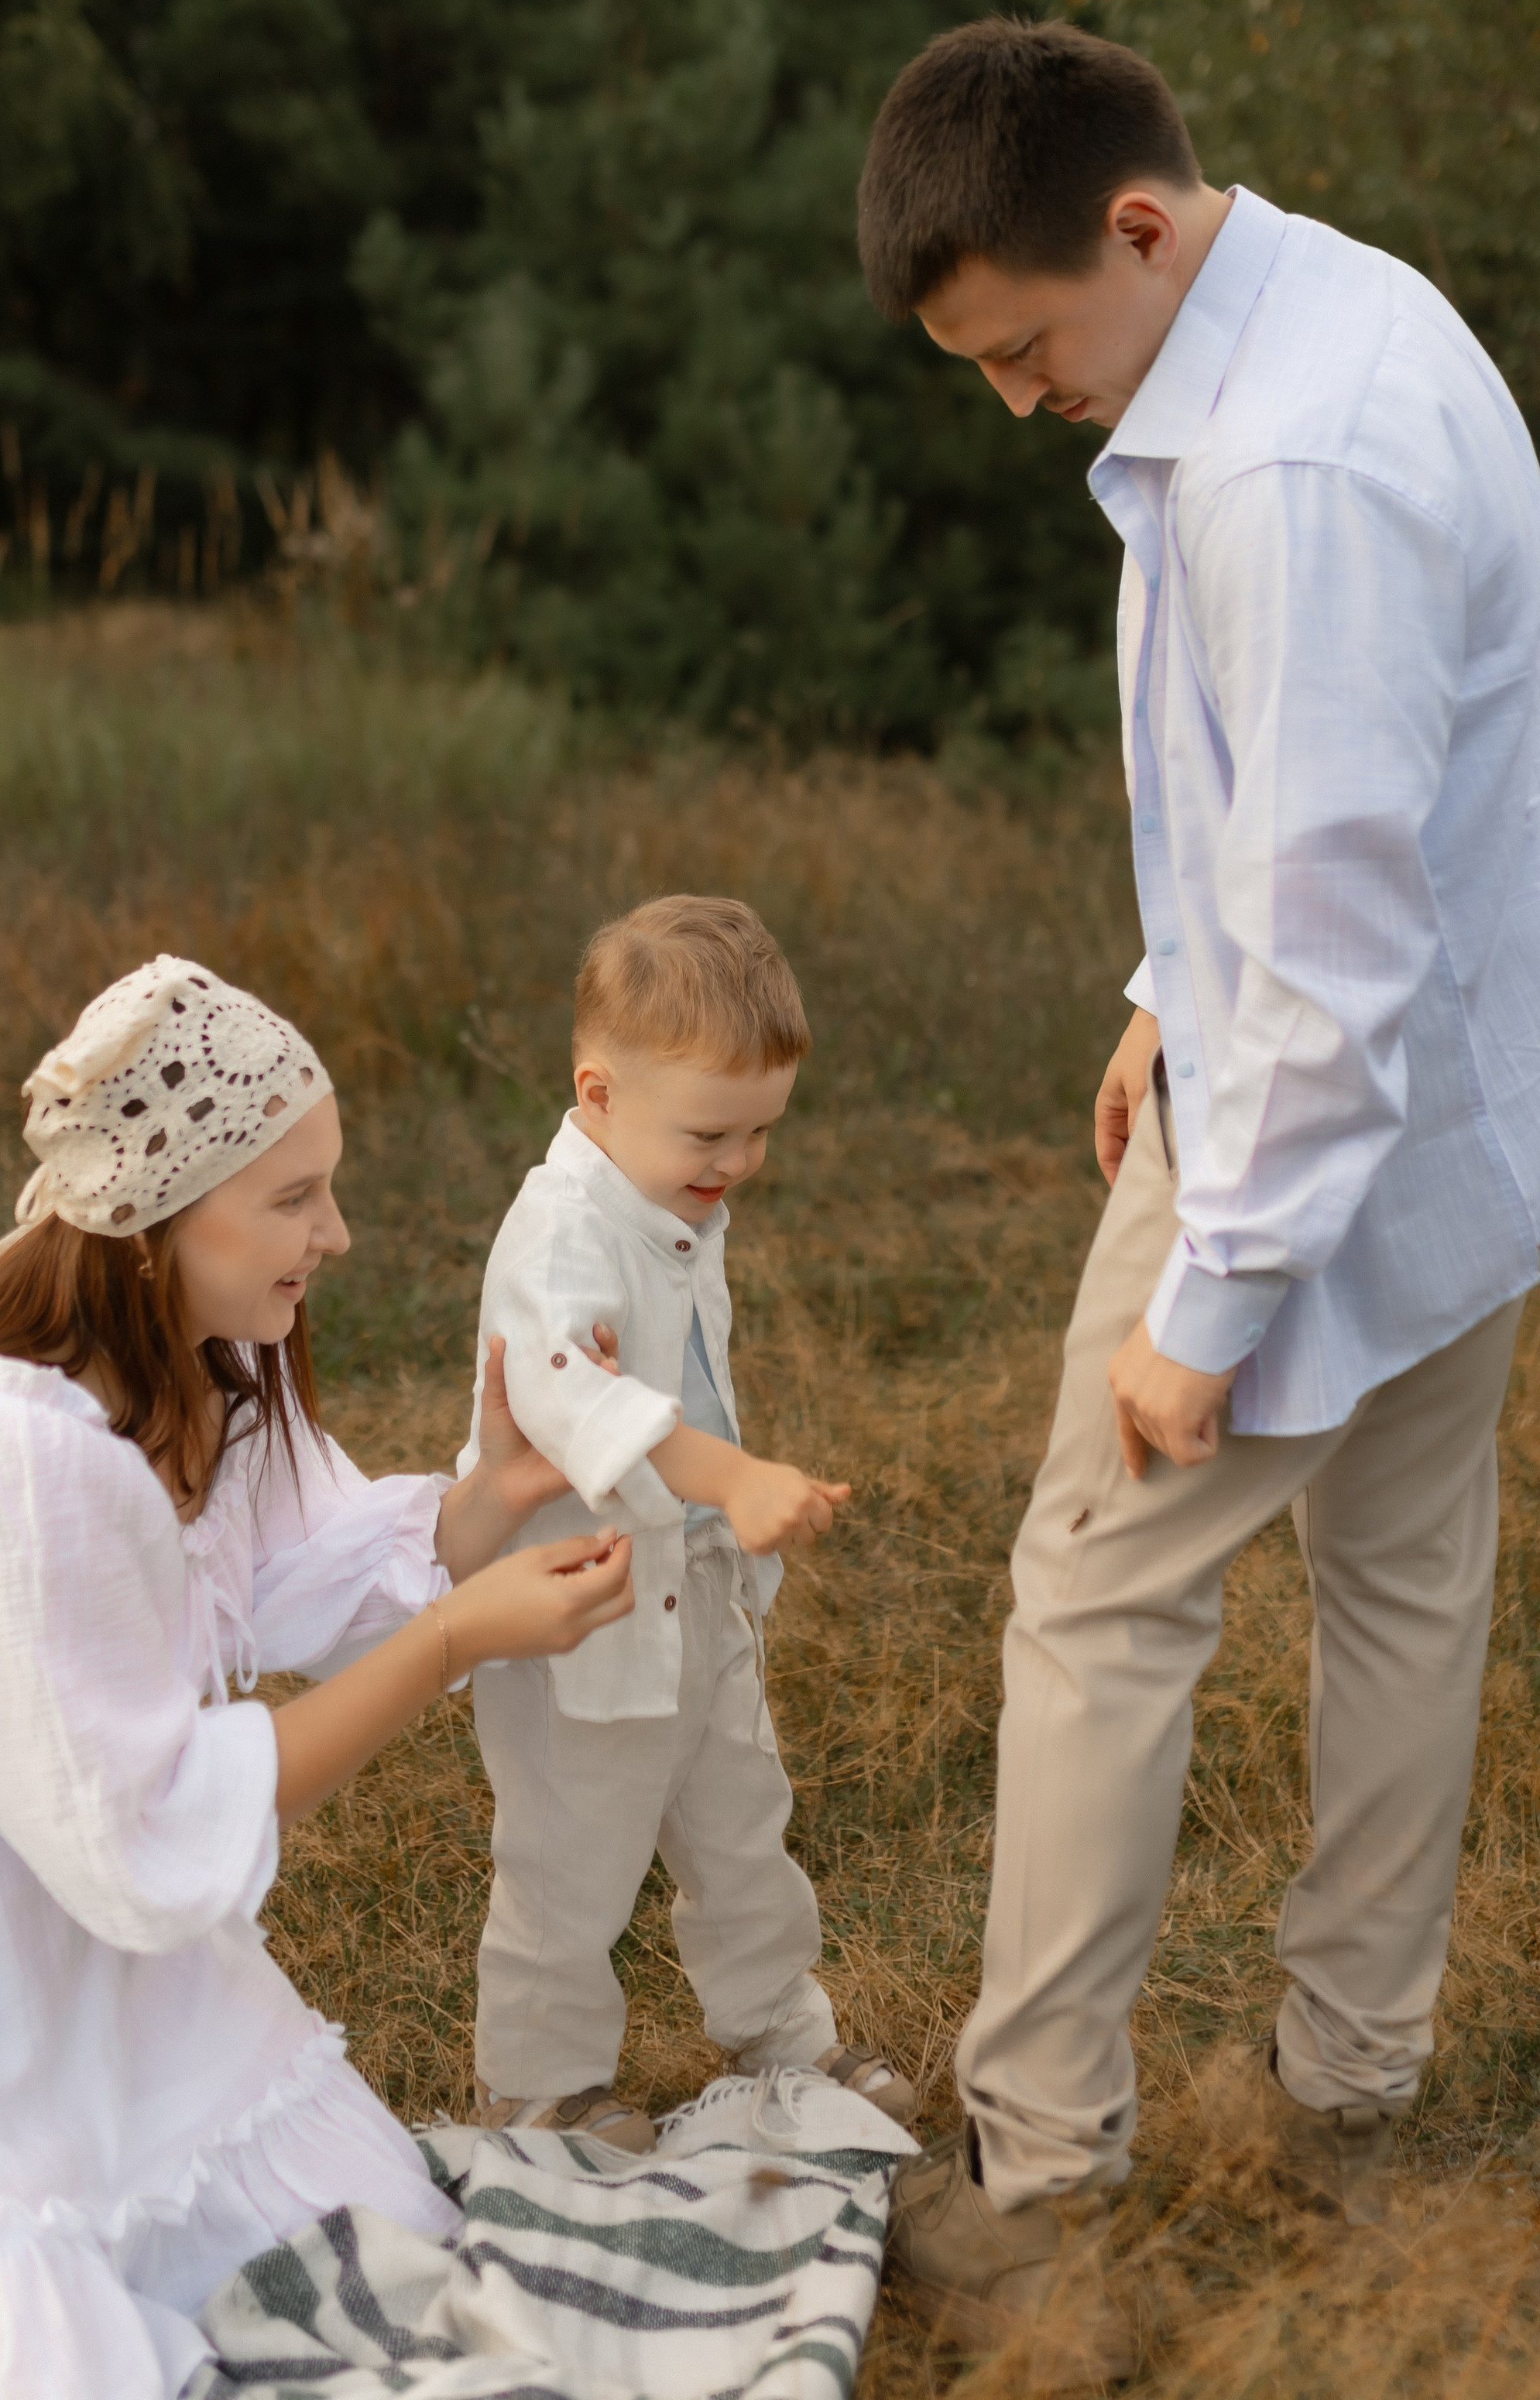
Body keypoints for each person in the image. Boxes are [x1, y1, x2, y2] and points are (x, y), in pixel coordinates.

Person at [854, 20, 1540, 2383]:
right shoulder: (1328, 294)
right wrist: (1157, 978)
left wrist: (1206, 1307)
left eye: (1024, 347)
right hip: (1450, 1103)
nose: (1018, 399)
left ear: (1135, 227)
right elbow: (1325, 783)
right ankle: (1350, 2099)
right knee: (1408, 1572)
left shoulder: (1289, 463)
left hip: (1331, 1118)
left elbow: (1328, 961)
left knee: (1098, 1596)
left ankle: (1041, 2181)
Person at [0, 954, 635, 2399]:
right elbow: (145, 1824)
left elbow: (281, 1573)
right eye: (294, 1199)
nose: (336, 1234)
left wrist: (488, 1500)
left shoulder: (183, 1347)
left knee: (366, 2228)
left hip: (50, 1874)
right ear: (157, 1219)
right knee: (7, 2347)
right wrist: (453, 1637)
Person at [459, 896, 915, 2146]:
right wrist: (734, 1478)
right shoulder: (559, 1233)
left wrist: (720, 1508)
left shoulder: (673, 1195)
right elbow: (569, 1396)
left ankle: (782, 2034)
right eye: (712, 1133)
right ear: (598, 1094)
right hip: (584, 1600)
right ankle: (538, 2080)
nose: (739, 1163)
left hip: (694, 1580)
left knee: (742, 1825)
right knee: (571, 1851)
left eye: (763, 1131)